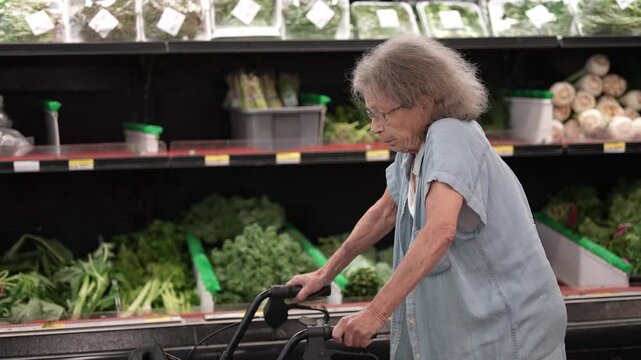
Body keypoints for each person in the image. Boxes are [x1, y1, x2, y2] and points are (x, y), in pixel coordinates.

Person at [287, 35, 567, 360]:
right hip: (473, 327)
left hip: (507, 328)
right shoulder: (413, 147)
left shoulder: (451, 135)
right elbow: (384, 212)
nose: (375, 127)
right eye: (371, 114)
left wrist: (376, 314)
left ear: (422, 102)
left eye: (382, 114)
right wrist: (325, 274)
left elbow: (439, 230)